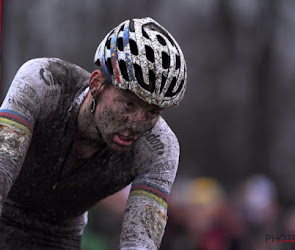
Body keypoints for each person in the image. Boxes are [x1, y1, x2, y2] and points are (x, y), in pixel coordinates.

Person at [0, 17, 187, 249]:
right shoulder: (43, 82)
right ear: (97, 83)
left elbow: (140, 242)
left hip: (60, 236)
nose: (136, 124)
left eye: (152, 112)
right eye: (129, 104)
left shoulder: (161, 149)